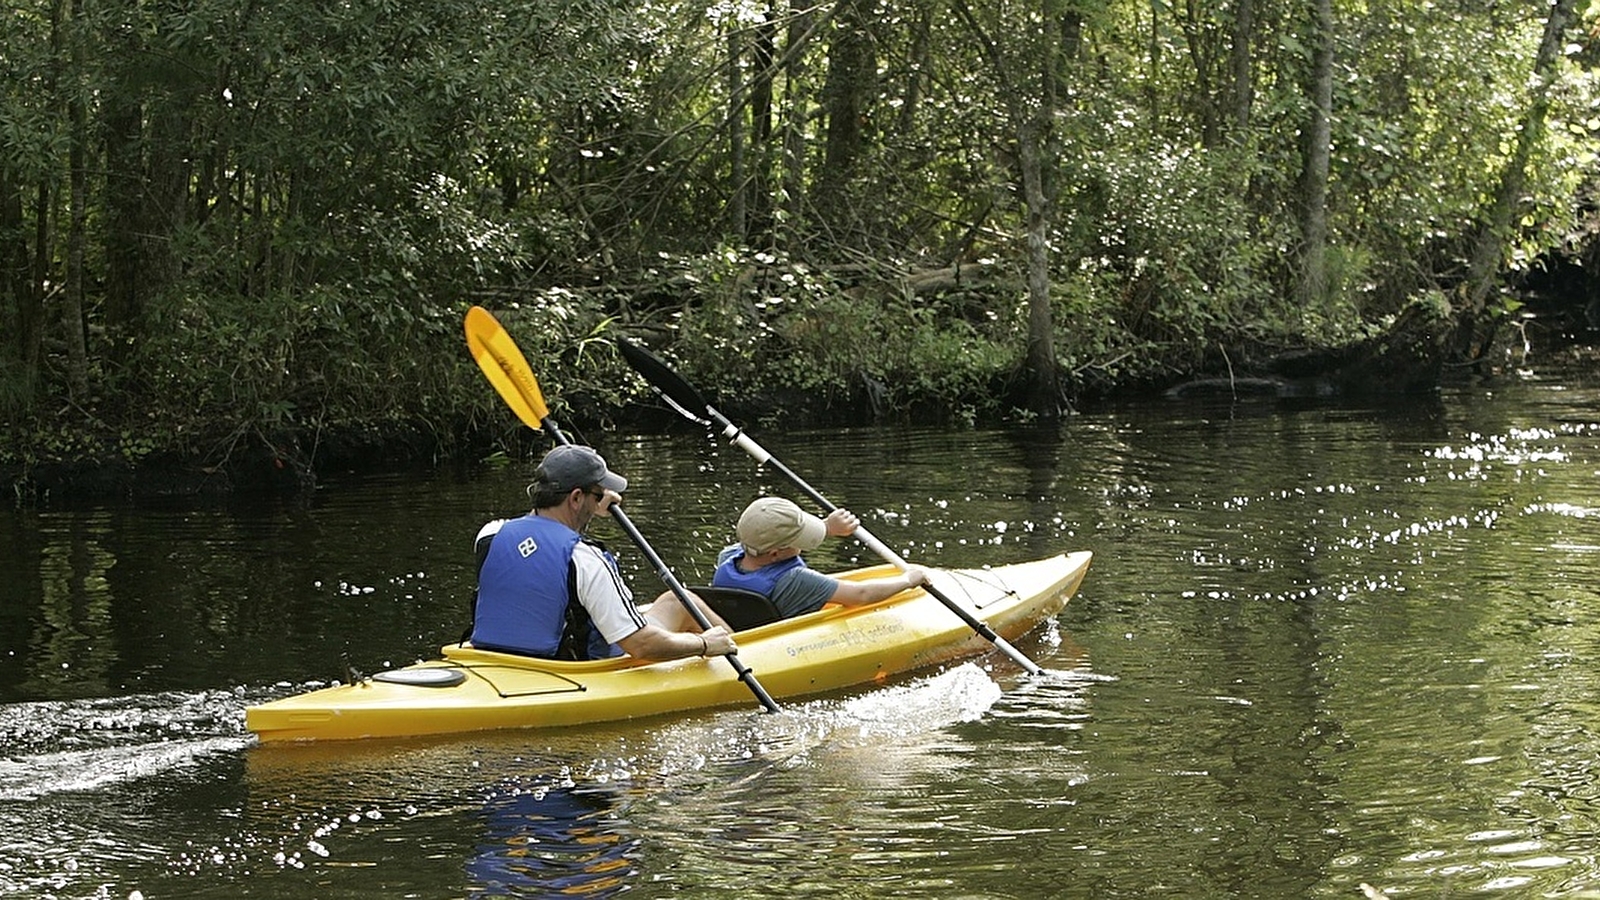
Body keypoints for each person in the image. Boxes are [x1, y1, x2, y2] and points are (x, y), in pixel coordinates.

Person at [469, 444, 736, 661]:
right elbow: (641, 645)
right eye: (597, 495)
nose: (600, 501)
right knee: (679, 601)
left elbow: (541, 549)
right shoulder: (585, 558)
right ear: (575, 498)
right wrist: (702, 644)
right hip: (577, 669)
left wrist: (590, 507)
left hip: (498, 661)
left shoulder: (490, 535)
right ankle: (742, 653)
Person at [710, 497, 928, 619]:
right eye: (799, 539)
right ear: (776, 553)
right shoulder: (797, 580)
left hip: (743, 627)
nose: (804, 544)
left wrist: (827, 527)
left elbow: (764, 540)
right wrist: (908, 580)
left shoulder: (728, 557)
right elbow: (862, 594)